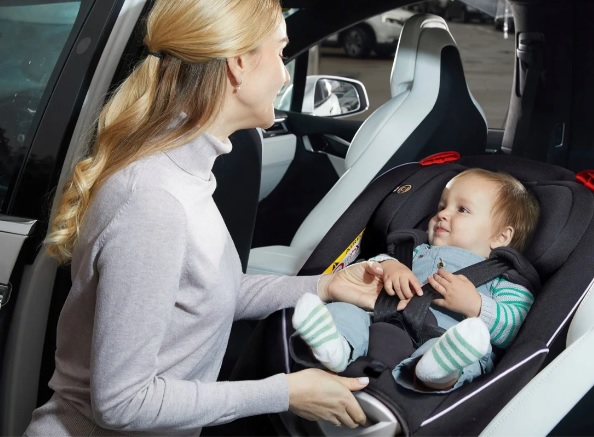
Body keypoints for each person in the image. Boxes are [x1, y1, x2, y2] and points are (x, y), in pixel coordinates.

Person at [24, 1, 386, 435]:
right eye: (280, 52)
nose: (285, 75)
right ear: (238, 63)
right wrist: (284, 392)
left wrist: (326, 286)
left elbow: (207, 292)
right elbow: (122, 403)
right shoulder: (153, 201)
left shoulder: (187, 174)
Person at [292, 168, 540, 393]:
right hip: (380, 321)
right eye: (441, 206)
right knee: (345, 311)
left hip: (443, 337)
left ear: (501, 237)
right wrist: (388, 266)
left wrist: (476, 306)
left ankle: (437, 372)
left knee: (472, 352)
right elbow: (367, 269)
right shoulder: (415, 250)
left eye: (462, 210)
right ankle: (336, 347)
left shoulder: (505, 278)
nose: (442, 214)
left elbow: (515, 328)